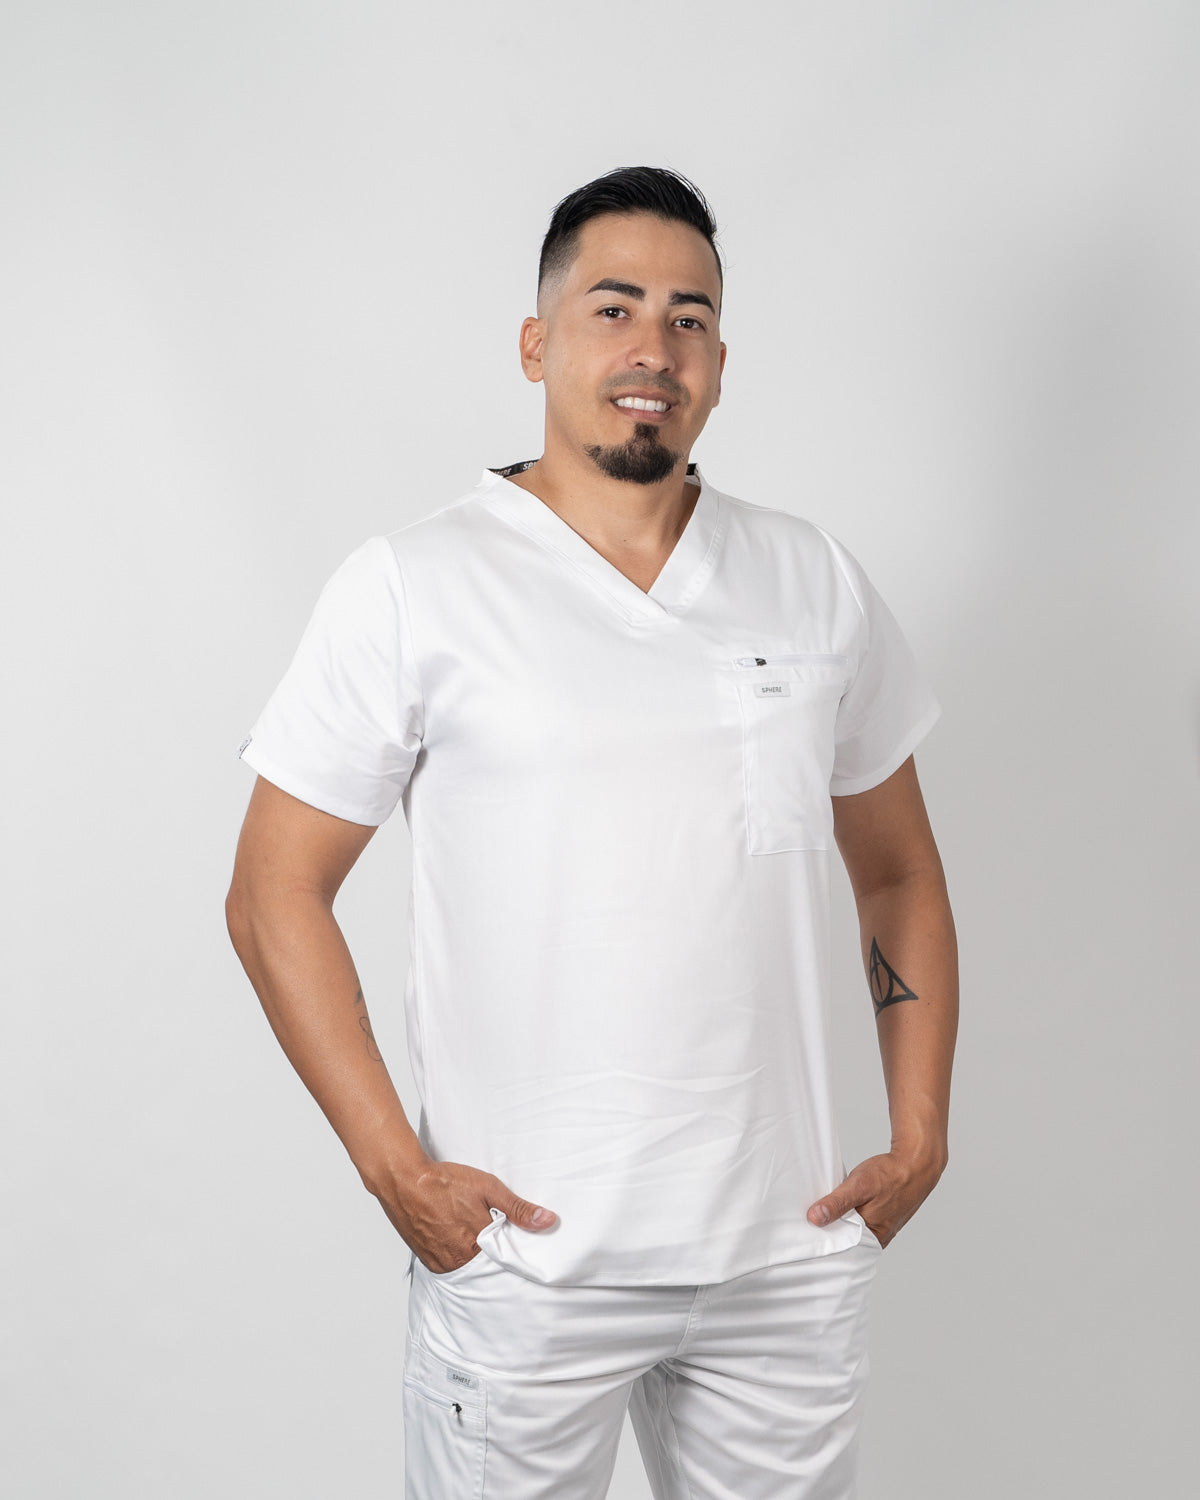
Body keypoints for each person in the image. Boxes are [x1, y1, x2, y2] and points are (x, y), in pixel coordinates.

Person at [226, 165, 959, 1499]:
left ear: (720, 361)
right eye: (613, 308)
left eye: (689, 318)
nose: (652, 349)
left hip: (781, 1265)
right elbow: (275, 890)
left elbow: (899, 871)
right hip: (528, 1266)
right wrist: (398, 1172)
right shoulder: (417, 585)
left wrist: (919, 1136)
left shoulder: (812, 578)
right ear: (536, 342)